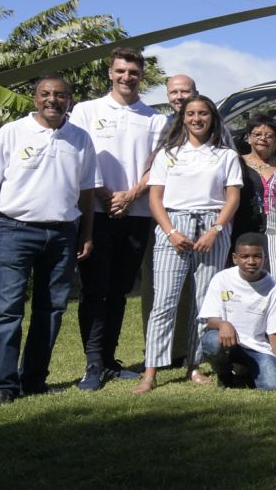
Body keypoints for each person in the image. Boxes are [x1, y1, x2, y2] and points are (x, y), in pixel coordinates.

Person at [0, 75, 98, 406]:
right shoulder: (12, 132)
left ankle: (33, 379)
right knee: (7, 310)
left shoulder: (80, 138)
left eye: (60, 95)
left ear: (69, 100)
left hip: (62, 233)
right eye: (46, 94)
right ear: (34, 99)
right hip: (16, 229)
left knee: (51, 310)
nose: (53, 100)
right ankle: (3, 384)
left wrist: (86, 232)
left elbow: (86, 191)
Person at [69, 48, 167, 392]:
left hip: (137, 213)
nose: (127, 77)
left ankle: (110, 360)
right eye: (121, 71)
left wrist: (131, 195)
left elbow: (158, 166)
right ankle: (93, 364)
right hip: (96, 212)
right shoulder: (86, 111)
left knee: (121, 290)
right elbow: (79, 160)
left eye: (133, 72)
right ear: (110, 73)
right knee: (94, 289)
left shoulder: (155, 118)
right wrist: (105, 195)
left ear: (142, 77)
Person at [135, 94, 243, 393]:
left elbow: (232, 196)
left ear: (212, 118)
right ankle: (151, 370)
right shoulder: (168, 154)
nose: (197, 119)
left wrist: (215, 230)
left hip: (213, 228)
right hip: (174, 226)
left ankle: (194, 365)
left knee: (203, 302)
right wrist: (170, 231)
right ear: (183, 118)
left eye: (203, 113)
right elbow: (155, 197)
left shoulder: (225, 155)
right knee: (164, 302)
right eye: (191, 113)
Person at [197, 232, 276, 391]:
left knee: (273, 385)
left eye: (257, 256)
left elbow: (275, 332)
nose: (251, 261)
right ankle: (225, 375)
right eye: (244, 256)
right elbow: (211, 319)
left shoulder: (272, 287)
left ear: (264, 258)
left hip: (256, 346)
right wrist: (223, 324)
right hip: (226, 342)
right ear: (235, 258)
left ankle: (244, 370)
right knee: (211, 342)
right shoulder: (222, 278)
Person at [240, 116, 276, 288]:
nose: (263, 138)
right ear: (248, 137)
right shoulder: (238, 163)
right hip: (246, 230)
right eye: (257, 134)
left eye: (269, 135)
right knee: (246, 281)